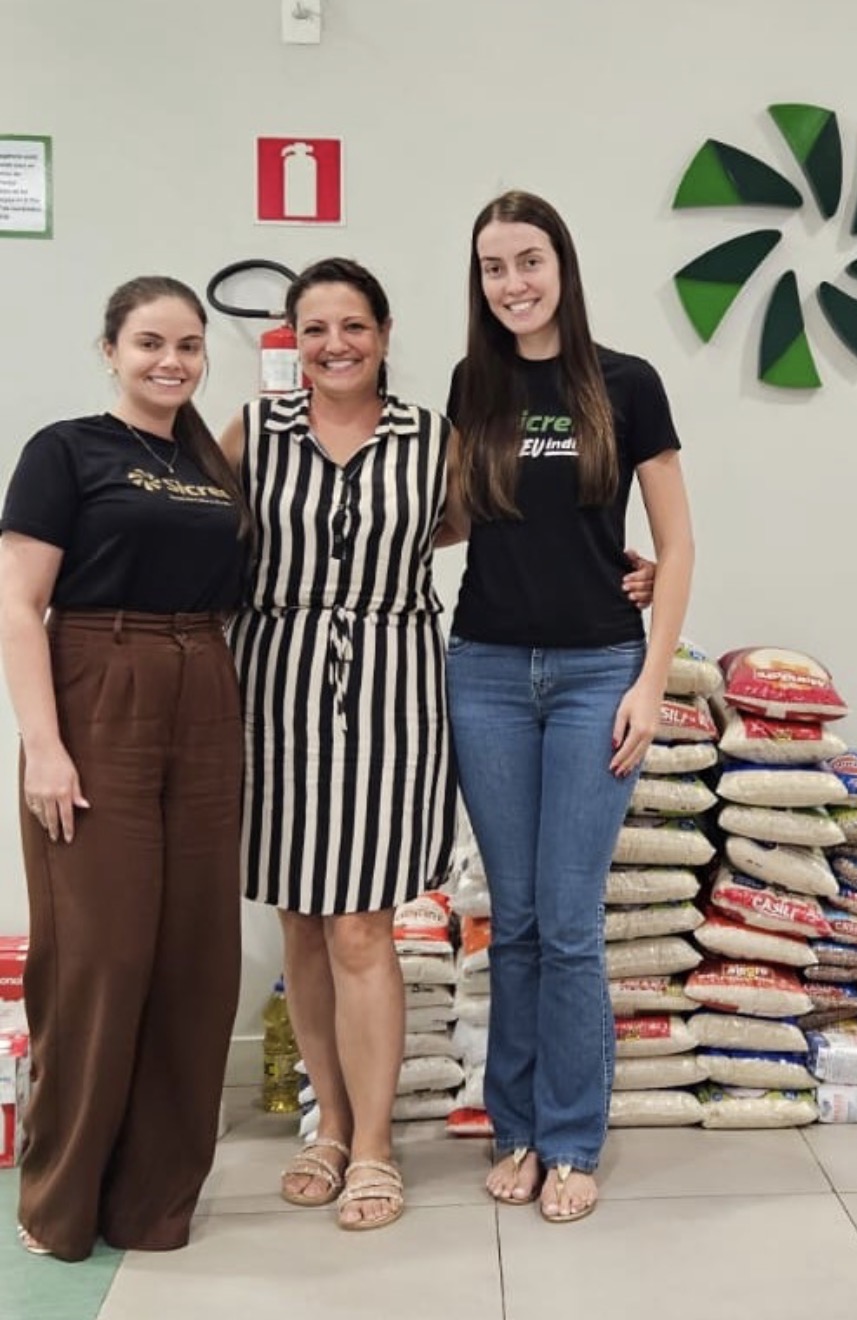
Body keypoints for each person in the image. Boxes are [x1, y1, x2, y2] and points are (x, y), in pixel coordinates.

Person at [444, 190, 695, 1223]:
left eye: (529, 261)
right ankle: (515, 1130)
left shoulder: (626, 384)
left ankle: (572, 1139)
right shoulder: (473, 384)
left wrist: (651, 680)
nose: (513, 283)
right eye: (494, 267)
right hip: (487, 671)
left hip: (598, 672)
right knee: (514, 922)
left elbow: (676, 542)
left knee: (570, 922)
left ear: (563, 266)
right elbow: (453, 519)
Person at [0, 276, 249, 1260]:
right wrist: (44, 745)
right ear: (111, 350)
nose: (171, 362)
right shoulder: (65, 450)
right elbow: (19, 605)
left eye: (188, 345)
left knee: (196, 957)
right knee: (99, 957)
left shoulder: (211, 464)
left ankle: (154, 1203)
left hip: (206, 688)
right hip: (99, 685)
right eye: (150, 342)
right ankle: (60, 1201)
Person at [220, 257, 457, 1232]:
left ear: (385, 334)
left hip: (393, 688)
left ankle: (373, 1145)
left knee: (361, 923)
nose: (335, 345)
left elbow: (482, 527)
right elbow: (191, 531)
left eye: (353, 325)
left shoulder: (432, 437)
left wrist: (627, 568)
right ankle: (328, 1127)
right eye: (314, 328)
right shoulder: (255, 432)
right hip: (273, 686)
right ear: (294, 340)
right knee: (302, 922)